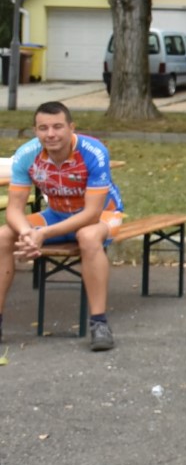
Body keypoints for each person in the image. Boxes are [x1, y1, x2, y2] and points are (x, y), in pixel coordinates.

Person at [0, 101, 123, 351]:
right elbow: (14, 209)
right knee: (3, 236)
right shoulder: (27, 154)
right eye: (43, 128)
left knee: (88, 237)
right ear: (35, 131)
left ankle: (99, 323)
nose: (51, 134)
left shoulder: (93, 151)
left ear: (71, 128)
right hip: (56, 214)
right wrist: (26, 233)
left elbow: (91, 213)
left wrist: (42, 234)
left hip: (101, 215)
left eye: (57, 127)